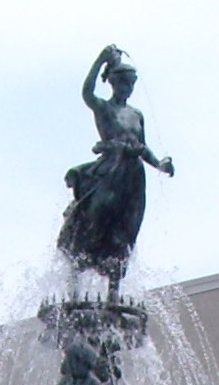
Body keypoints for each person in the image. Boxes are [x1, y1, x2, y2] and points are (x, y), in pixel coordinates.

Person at [56, 45, 173, 285]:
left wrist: (159, 164)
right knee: (97, 215)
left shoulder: (136, 114)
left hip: (134, 176)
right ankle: (78, 264)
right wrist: (100, 60)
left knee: (128, 228)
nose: (127, 88)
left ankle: (114, 285)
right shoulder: (104, 107)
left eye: (130, 84)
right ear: (113, 83)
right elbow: (87, 92)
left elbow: (143, 147)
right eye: (123, 83)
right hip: (112, 168)